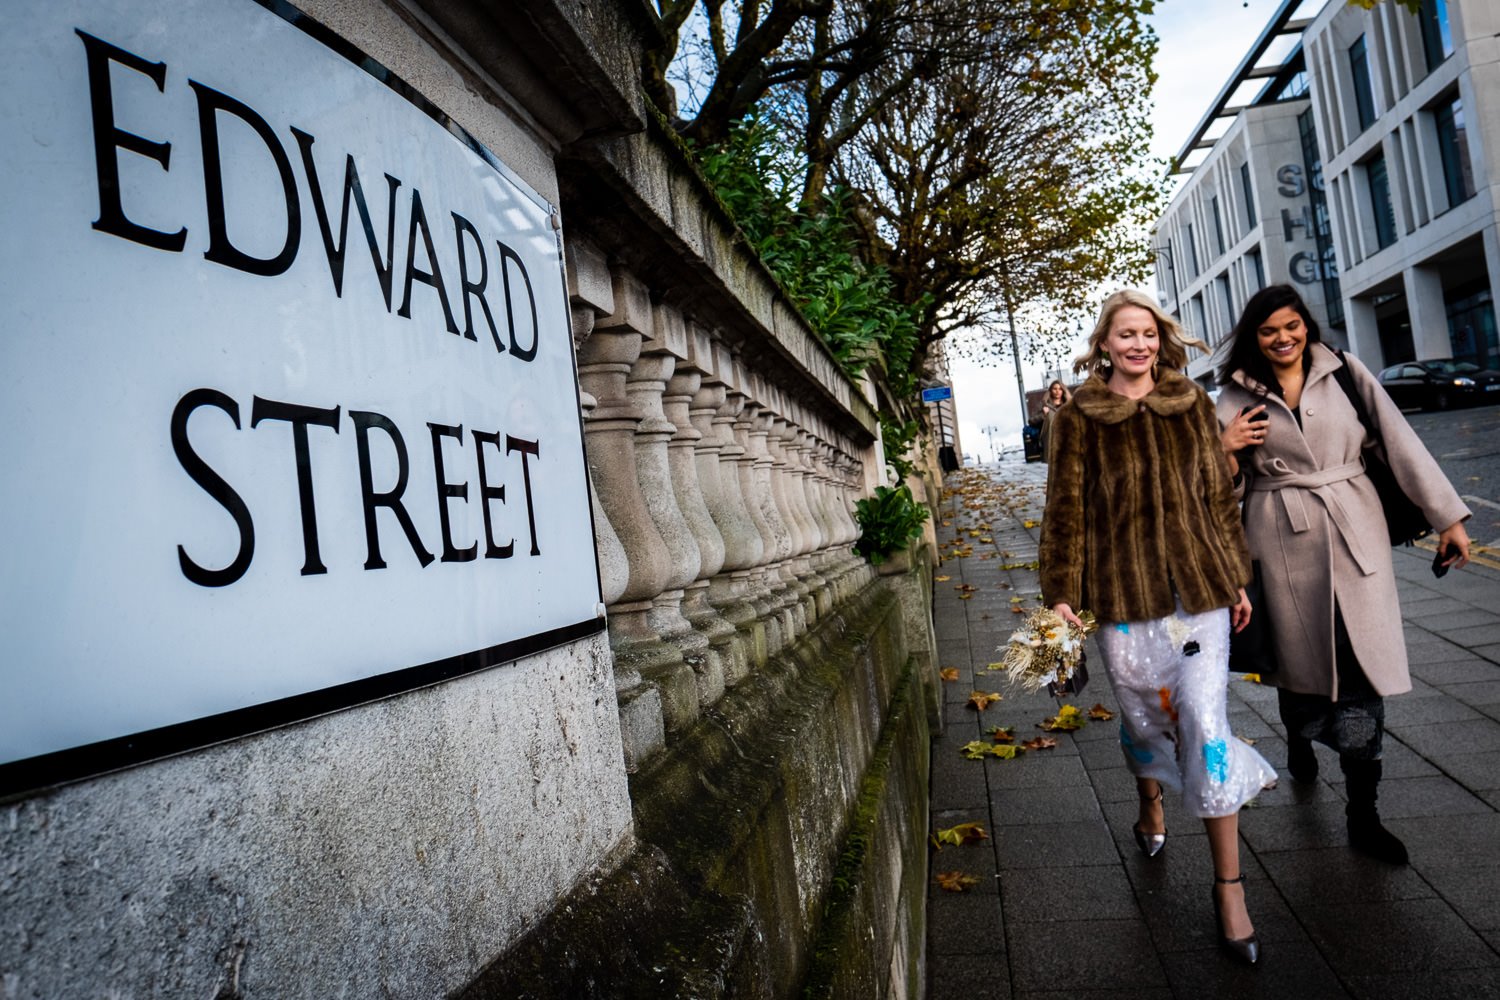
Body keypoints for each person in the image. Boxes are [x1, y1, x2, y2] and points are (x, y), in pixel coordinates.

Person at [1041, 289, 1275, 966]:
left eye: (1147, 333)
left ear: (1159, 339)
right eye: (1125, 335)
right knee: (1147, 718)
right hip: (1124, 599)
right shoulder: (1080, 416)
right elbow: (1064, 512)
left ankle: (1229, 890)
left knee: (1204, 720)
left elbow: (1215, 497)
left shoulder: (1190, 404)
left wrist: (1234, 573)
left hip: (1195, 592)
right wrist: (1062, 594)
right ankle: (1151, 802)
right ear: (1105, 345)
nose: (1138, 345)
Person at [1216, 284, 1471, 865]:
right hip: (1279, 539)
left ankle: (1364, 814)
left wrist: (1447, 517)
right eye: (1268, 330)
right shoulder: (1231, 398)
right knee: (1300, 673)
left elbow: (1401, 444)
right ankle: (1301, 738)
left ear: (1307, 325)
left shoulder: (1346, 372)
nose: (1284, 338)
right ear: (1253, 338)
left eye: (1292, 325)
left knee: (1360, 673)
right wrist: (1225, 450)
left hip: (1356, 531)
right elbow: (1217, 492)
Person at [1037, 380, 1071, 461]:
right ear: (1050, 391)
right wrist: (1043, 415)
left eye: (1060, 389)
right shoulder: (1044, 406)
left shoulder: (1069, 406)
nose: (1057, 391)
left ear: (1063, 391)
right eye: (1054, 389)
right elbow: (1031, 421)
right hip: (1051, 444)